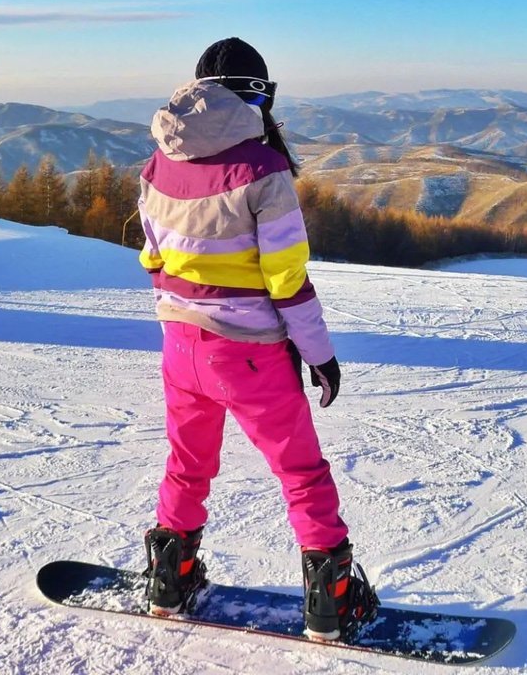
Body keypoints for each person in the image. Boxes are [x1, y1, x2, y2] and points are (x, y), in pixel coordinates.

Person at [135, 37, 377, 640]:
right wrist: (320, 355)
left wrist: (181, 316)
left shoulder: (159, 162)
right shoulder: (263, 171)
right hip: (247, 354)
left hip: (180, 344)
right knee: (301, 471)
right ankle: (330, 602)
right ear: (259, 96)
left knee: (187, 463)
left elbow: (153, 258)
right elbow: (287, 281)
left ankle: (170, 579)